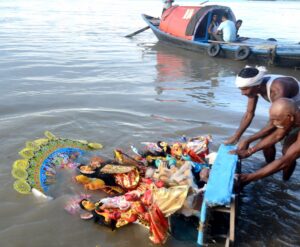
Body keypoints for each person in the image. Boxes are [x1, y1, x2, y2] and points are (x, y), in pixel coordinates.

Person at [225, 65, 300, 164]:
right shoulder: (254, 87)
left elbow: (273, 123)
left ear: (258, 86)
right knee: (265, 140)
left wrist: (248, 140)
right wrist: (236, 136)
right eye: (241, 89)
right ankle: (269, 167)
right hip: (286, 112)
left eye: (245, 89)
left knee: (287, 152)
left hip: (296, 114)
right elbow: (249, 113)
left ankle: (285, 179)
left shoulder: (278, 89)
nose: (242, 93)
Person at [238, 98, 300, 185]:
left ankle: (286, 183)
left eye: (277, 120)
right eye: (272, 120)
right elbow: (277, 135)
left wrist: (250, 177)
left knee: (288, 154)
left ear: (290, 117)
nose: (274, 124)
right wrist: (249, 151)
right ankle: (285, 183)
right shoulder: (292, 118)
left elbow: (286, 160)